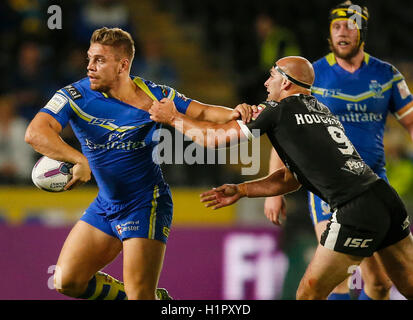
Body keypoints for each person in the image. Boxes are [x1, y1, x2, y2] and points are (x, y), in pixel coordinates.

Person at [148, 55, 413, 300]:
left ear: (285, 82)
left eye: (272, 75)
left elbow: (214, 139)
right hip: (383, 198)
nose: (265, 82)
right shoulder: (321, 109)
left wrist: (173, 118)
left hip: (354, 209)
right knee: (408, 284)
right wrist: (242, 190)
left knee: (309, 294)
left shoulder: (278, 109)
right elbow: (291, 178)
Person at [24, 27, 253, 300]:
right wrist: (77, 159)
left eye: (99, 60)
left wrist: (237, 112)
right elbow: (35, 133)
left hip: (146, 204)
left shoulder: (153, 95)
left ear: (122, 65)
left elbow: (202, 111)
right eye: (89, 58)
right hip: (107, 204)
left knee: (139, 295)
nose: (89, 67)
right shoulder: (74, 96)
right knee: (66, 281)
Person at [264, 1, 413, 300]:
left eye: (350, 25)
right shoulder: (312, 75)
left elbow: (411, 123)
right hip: (329, 190)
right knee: (340, 280)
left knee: (381, 283)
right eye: (336, 26)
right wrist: (274, 188)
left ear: (363, 32)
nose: (342, 31)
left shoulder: (386, 75)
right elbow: (283, 126)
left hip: (374, 185)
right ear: (328, 34)